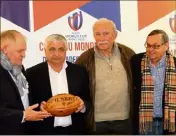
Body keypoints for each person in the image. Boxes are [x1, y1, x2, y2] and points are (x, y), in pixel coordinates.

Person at [75, 18, 135, 134]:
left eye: (106, 33)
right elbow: (77, 89)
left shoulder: (128, 54)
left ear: (115, 35)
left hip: (125, 120)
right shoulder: (84, 59)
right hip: (96, 122)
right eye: (98, 34)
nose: (101, 38)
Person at [26, 34, 91, 134]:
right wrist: (40, 107)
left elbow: (88, 98)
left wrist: (83, 105)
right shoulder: (32, 73)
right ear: (45, 50)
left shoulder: (79, 71)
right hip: (44, 131)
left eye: (61, 49)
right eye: (52, 49)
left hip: (75, 130)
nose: (56, 54)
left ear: (66, 51)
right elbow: (28, 102)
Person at [0, 30, 51, 135]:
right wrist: (23, 115)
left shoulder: (19, 67)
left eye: (24, 50)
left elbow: (23, 100)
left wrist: (38, 107)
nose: (24, 55)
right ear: (5, 49)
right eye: (20, 51)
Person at [131, 29, 176, 135]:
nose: (151, 49)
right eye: (148, 45)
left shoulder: (175, 64)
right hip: (144, 123)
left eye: (156, 46)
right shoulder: (136, 61)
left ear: (166, 45)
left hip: (169, 123)